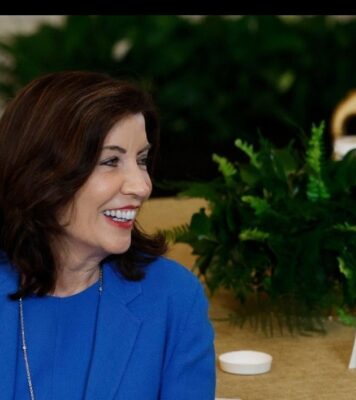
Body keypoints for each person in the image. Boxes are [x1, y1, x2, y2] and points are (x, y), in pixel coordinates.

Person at [0, 71, 215, 398]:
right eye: (111, 161)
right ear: (40, 174)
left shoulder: (174, 298)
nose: (142, 186)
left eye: (142, 160)